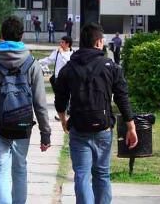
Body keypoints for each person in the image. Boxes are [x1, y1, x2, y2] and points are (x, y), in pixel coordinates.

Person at [54, 23, 138, 204]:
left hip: (79, 127)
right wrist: (130, 126)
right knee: (102, 174)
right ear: (99, 42)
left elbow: (60, 98)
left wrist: (63, 119)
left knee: (82, 175)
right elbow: (122, 98)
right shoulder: (111, 67)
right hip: (103, 128)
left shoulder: (69, 68)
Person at [0, 16, 52, 204]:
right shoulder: (32, 63)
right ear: (22, 35)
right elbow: (40, 102)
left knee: (1, 169)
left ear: (1, 35)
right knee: (20, 168)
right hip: (23, 123)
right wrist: (45, 133)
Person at [38, 35, 74, 121]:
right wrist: (39, 61)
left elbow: (69, 62)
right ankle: (62, 114)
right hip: (58, 79)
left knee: (68, 96)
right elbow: (49, 60)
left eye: (62, 42)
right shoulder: (57, 52)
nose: (60, 44)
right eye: (60, 42)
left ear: (67, 44)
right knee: (59, 97)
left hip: (69, 79)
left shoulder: (73, 53)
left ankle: (66, 113)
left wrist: (62, 53)